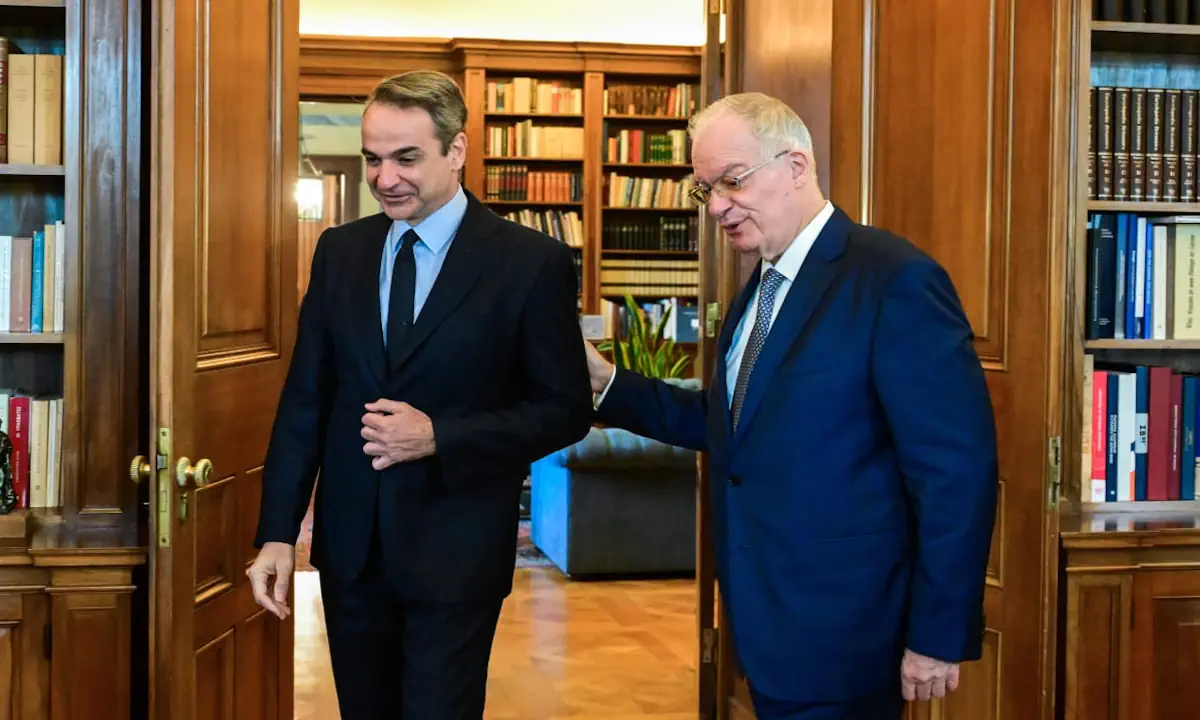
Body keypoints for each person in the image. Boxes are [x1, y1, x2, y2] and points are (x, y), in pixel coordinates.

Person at [585, 92, 998, 719]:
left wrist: (938, 634)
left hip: (850, 635)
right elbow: (731, 425)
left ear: (796, 166)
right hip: (767, 626)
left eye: (733, 181)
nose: (717, 207)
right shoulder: (758, 287)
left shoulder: (893, 279)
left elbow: (954, 473)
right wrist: (607, 383)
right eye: (706, 190)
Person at [248, 69, 593, 719]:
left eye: (405, 158)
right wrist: (277, 534)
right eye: (372, 159)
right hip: (352, 555)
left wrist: (441, 437)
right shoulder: (339, 252)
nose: (384, 179)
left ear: (456, 150)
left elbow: (566, 410)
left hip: (457, 552)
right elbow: (305, 401)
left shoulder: (530, 262)